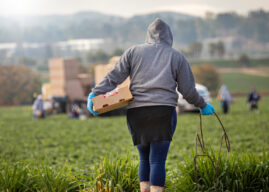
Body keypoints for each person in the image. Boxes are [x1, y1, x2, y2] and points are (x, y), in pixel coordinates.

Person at [87, 18, 215, 192]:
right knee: (157, 160)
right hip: (163, 112)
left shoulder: (133, 52)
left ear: (148, 34)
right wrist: (202, 105)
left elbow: (114, 77)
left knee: (144, 159)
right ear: (169, 36)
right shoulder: (176, 56)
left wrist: (95, 93)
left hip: (136, 113)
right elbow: (187, 90)